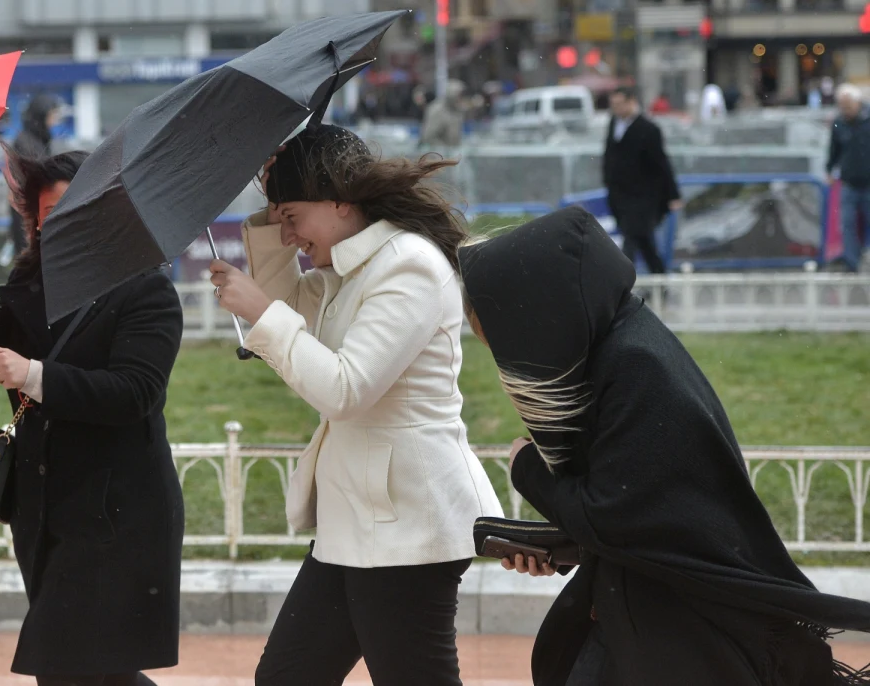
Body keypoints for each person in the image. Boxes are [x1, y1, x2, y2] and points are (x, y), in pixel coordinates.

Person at [459, 207, 870, 686]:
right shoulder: (621, 344)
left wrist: (526, 468)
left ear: (541, 317)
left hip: (680, 634)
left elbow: (614, 515)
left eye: (508, 344)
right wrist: (560, 550)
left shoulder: (634, 367)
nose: (514, 364)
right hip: (658, 617)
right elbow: (647, 518)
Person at [209, 124, 504, 686]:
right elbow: (289, 312)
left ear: (340, 200)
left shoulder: (408, 263)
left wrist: (262, 313)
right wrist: (271, 216)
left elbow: (345, 389)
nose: (289, 235)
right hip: (357, 523)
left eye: (292, 217)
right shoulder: (350, 267)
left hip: (408, 525)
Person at [0, 149, 185, 686]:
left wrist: (32, 374)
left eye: (78, 208)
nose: (63, 222)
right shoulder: (33, 287)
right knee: (88, 671)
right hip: (45, 509)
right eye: (50, 213)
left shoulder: (146, 290)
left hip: (118, 512)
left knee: (71, 666)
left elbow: (134, 393)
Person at [603, 86, 682, 275]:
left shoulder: (649, 129)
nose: (616, 108)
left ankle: (622, 281)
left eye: (620, 104)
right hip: (620, 195)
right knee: (644, 242)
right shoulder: (614, 124)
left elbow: (661, 163)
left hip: (643, 196)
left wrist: (673, 194)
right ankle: (660, 280)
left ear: (631, 102)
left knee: (631, 238)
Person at [8, 94, 62, 260]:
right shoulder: (27, 142)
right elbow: (36, 176)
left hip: (35, 209)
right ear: (42, 115)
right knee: (31, 257)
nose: (55, 119)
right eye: (52, 114)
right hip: (29, 211)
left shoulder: (38, 138)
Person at [826, 83, 870, 272]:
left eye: (848, 106)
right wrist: (829, 170)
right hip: (849, 182)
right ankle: (852, 263)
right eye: (842, 106)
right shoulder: (839, 123)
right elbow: (834, 150)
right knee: (848, 224)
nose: (845, 110)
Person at [420, 79, 466, 147]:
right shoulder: (437, 110)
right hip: (438, 151)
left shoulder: (457, 110)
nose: (461, 98)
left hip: (453, 150)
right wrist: (444, 149)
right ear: (452, 95)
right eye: (459, 95)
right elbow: (428, 136)